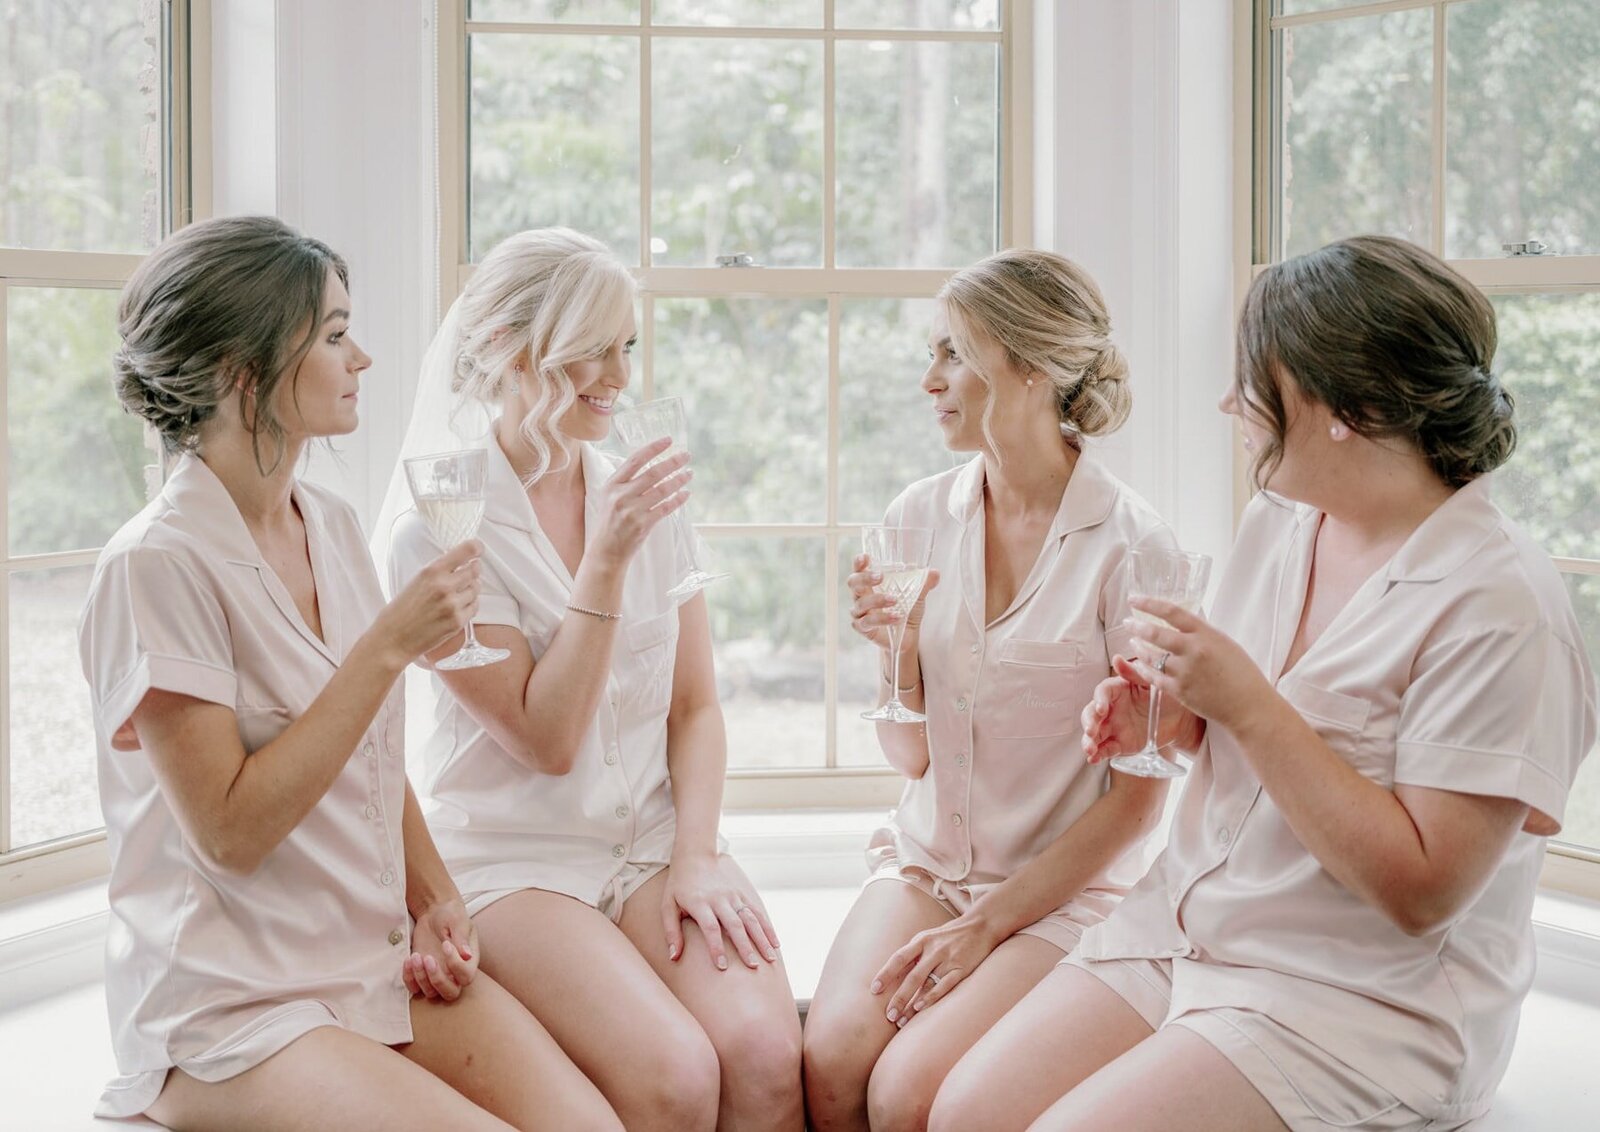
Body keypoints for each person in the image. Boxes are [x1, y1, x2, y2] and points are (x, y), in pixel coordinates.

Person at [930, 235, 1598, 1132]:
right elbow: (1236, 737)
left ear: (1344, 408)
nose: (1228, 406)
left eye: (1254, 385)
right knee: (956, 1114)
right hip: (1186, 929)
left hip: (1353, 1002)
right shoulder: (1281, 521)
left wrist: (1242, 697)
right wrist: (1166, 721)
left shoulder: (1502, 605)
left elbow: (1424, 889)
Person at [79, 216, 618, 1130]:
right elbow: (230, 834)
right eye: (332, 336)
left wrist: (435, 897)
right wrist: (387, 649)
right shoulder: (156, 566)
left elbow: (370, 758)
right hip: (234, 1005)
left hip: (367, 961)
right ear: (243, 373)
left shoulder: (326, 521)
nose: (361, 357)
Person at [377, 227, 804, 1132]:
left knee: (768, 1058)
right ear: (511, 356)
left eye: (628, 347)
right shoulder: (440, 522)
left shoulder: (639, 489)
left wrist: (696, 851)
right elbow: (546, 735)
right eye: (591, 352)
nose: (619, 376)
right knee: (676, 1075)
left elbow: (696, 707)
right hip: (518, 861)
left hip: (649, 843)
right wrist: (605, 562)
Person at [801, 249, 1174, 1132]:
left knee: (905, 1096)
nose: (930, 380)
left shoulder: (1133, 549)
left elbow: (1137, 809)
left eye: (953, 355)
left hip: (1064, 894)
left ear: (1032, 367)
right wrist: (893, 654)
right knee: (830, 1058)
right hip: (929, 864)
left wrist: (987, 925)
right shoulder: (916, 517)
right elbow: (912, 757)